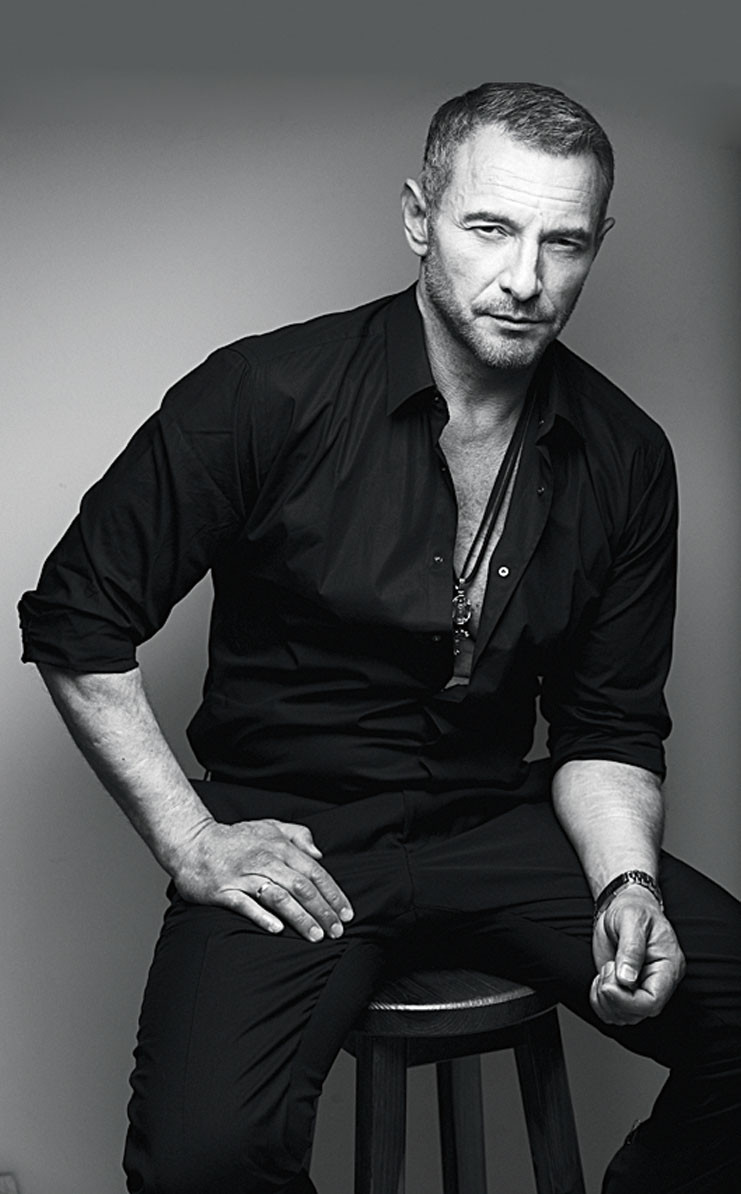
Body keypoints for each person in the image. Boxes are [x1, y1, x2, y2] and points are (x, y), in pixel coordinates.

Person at [18, 81, 740, 1194]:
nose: (525, 278)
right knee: (202, 1163)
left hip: (495, 827)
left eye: (563, 242)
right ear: (418, 218)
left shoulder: (627, 456)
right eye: (490, 228)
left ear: (598, 245)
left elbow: (608, 729)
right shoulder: (263, 392)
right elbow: (77, 617)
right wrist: (191, 839)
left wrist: (625, 889)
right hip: (298, 834)